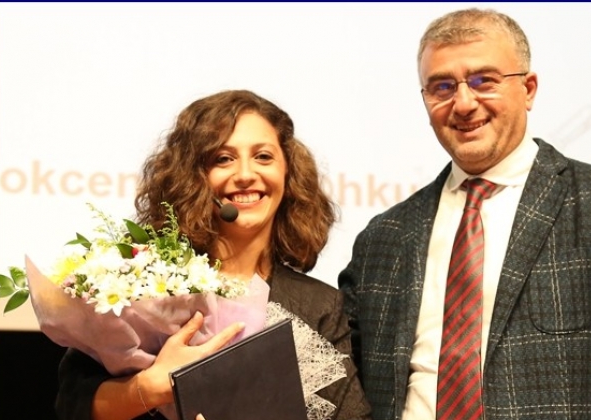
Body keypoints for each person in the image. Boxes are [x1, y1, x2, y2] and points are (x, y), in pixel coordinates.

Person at [338, 8, 591, 420]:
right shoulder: (383, 236)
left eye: (483, 81)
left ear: (528, 89)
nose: (463, 103)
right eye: (442, 87)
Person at [55, 89, 372, 420]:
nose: (246, 174)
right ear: (193, 177)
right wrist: (150, 388)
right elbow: (72, 403)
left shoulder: (319, 305)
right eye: (223, 159)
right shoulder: (144, 283)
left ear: (288, 173)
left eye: (263, 156)